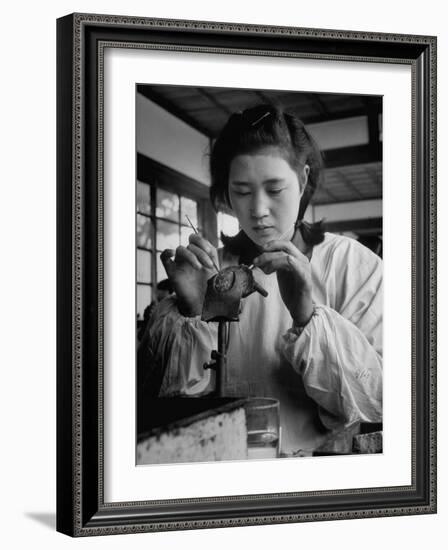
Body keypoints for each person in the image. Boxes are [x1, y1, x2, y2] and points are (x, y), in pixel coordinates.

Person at [139, 104, 382, 455]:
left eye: (275, 188)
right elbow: (163, 406)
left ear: (302, 180)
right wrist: (193, 310)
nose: (258, 210)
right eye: (241, 190)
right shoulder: (214, 270)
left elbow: (380, 401)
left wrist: (305, 316)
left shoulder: (351, 264)